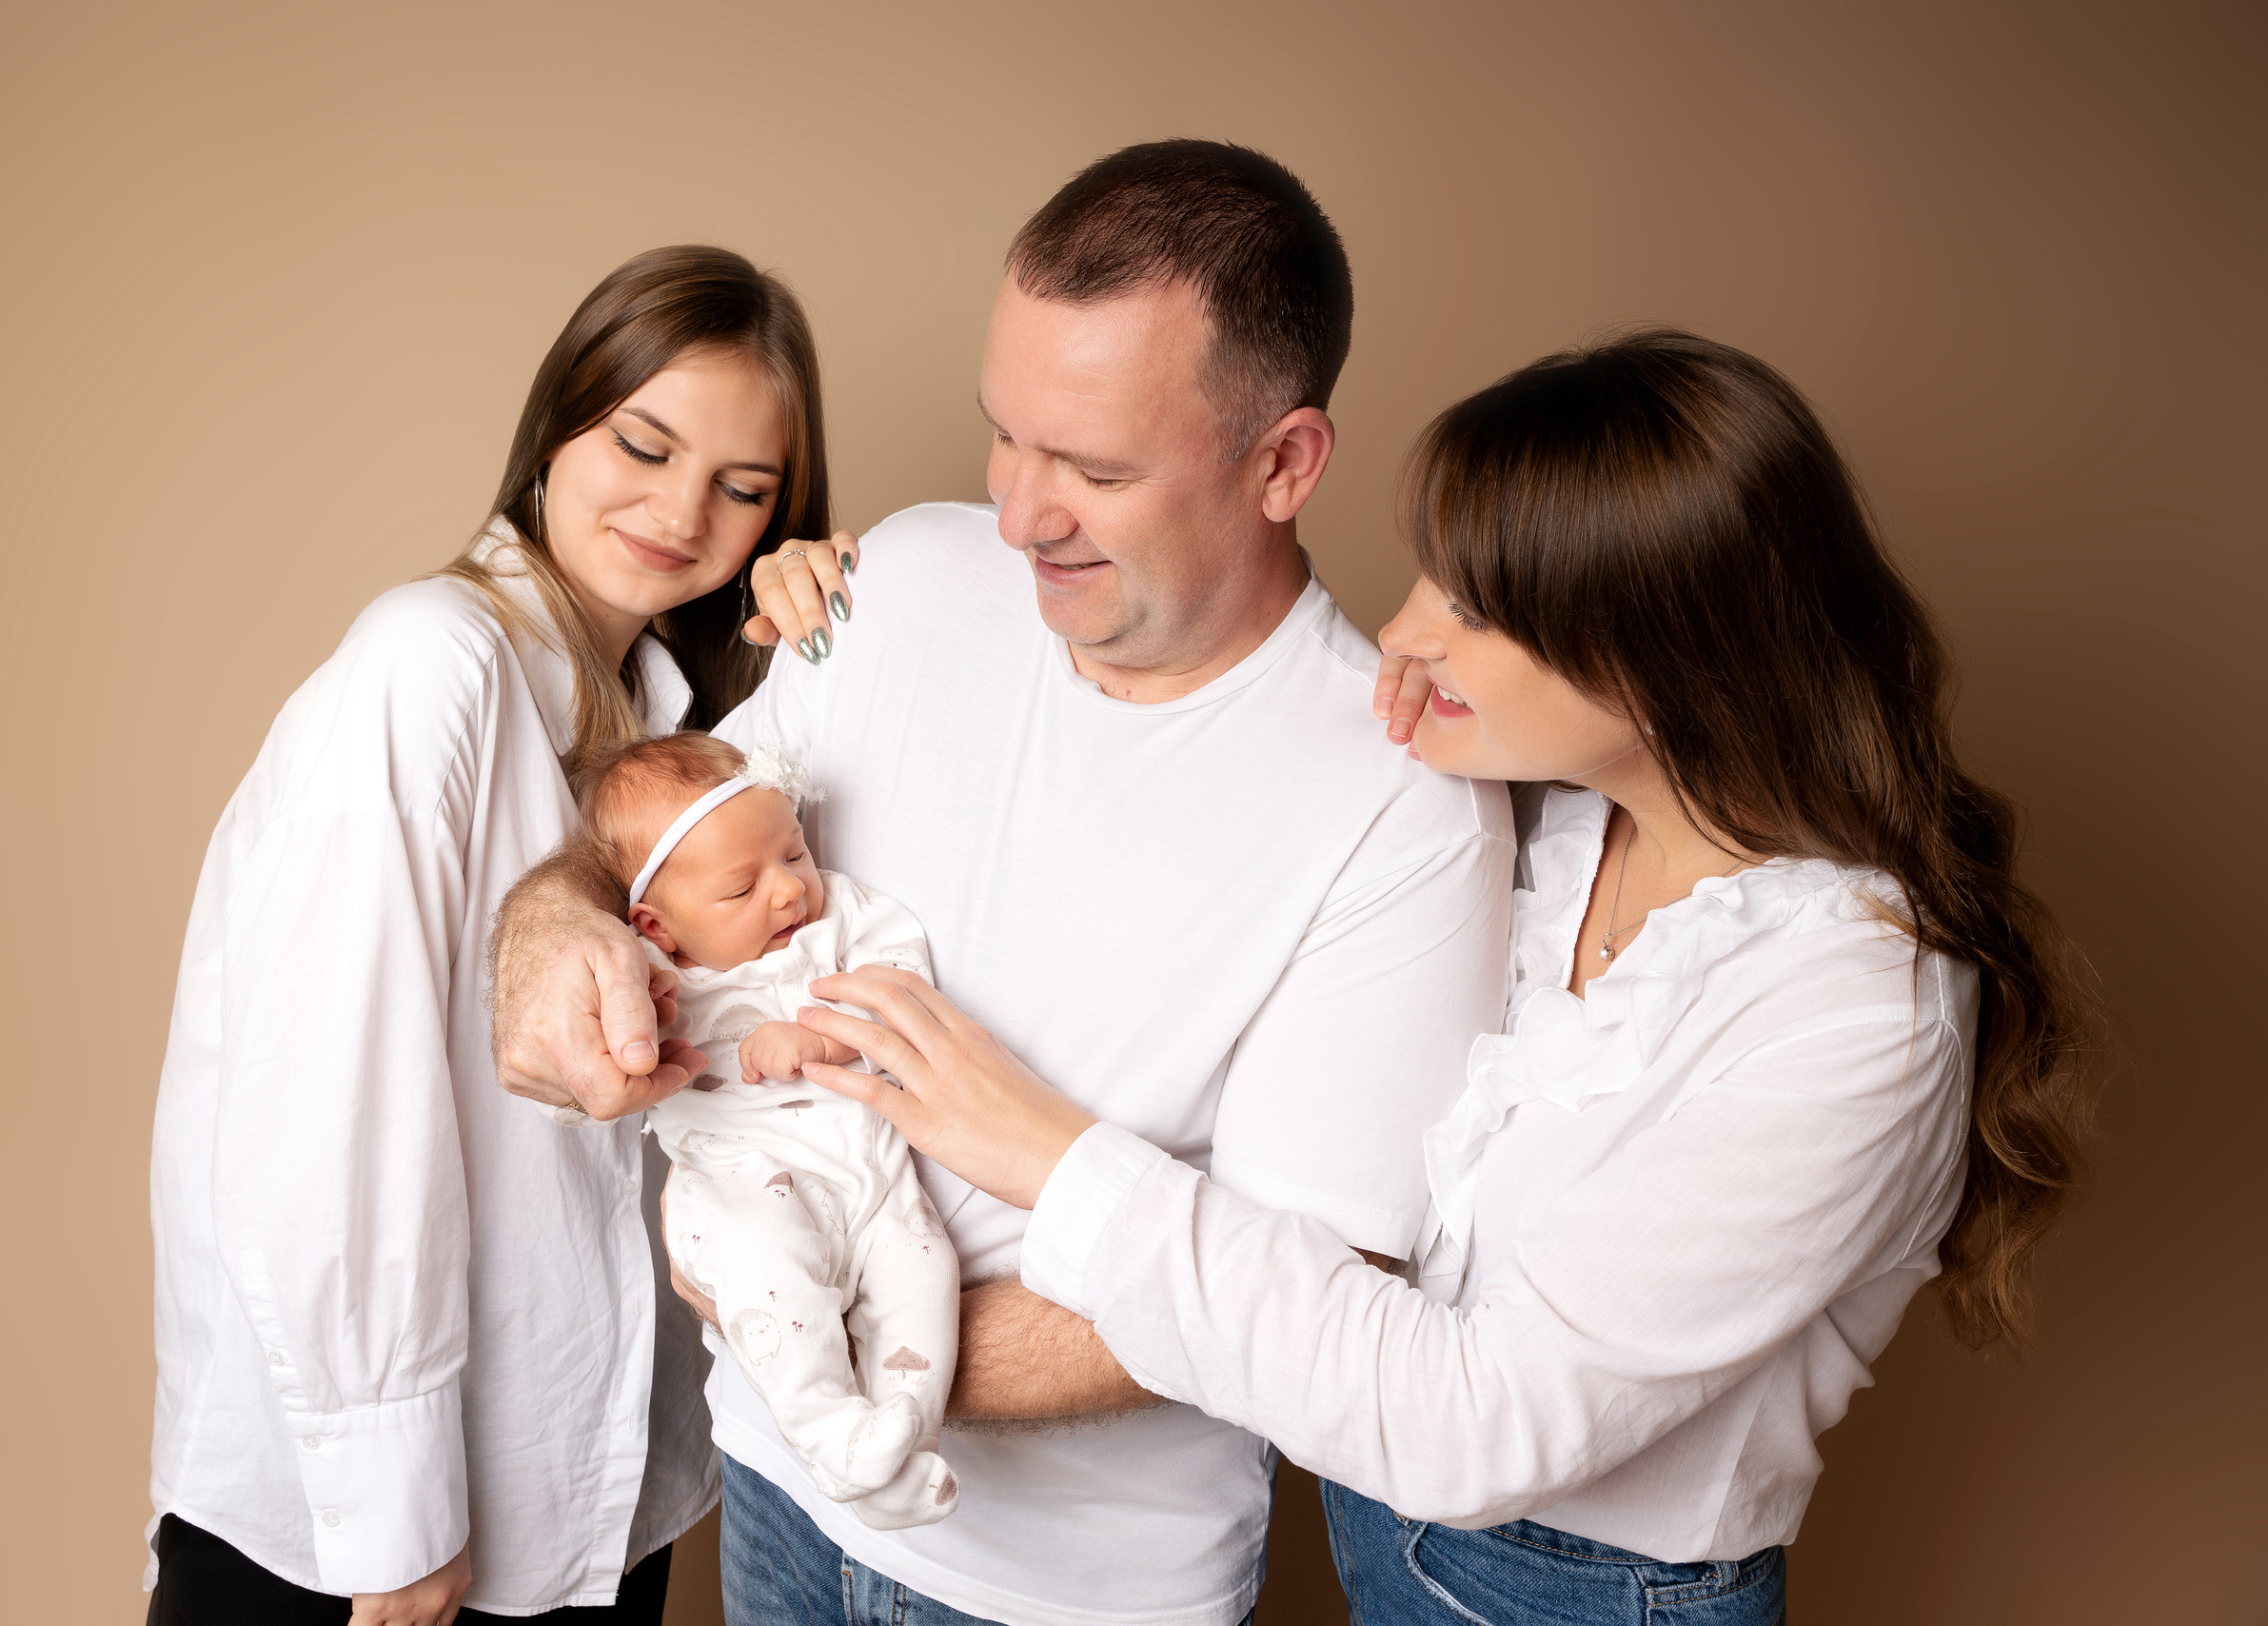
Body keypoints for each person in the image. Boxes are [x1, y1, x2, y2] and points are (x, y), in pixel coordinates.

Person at [790, 331, 2100, 1626]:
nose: (1404, 630)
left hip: (1596, 1600)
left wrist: (1053, 1156)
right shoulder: (1565, 831)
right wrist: (860, 592)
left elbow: (1478, 1421)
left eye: (1475, 608)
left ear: (1665, 654)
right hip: (1386, 1546)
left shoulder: (1857, 1009)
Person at [489, 142, 1512, 1625]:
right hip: (772, 1485)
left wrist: (834, 1333)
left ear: (1284, 464)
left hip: (1062, 1589)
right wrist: (548, 926)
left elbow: (1298, 1293)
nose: (1023, 514)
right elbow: (658, 845)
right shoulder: (904, 574)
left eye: (1097, 469)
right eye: (1006, 438)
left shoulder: (1404, 813)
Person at [148, 245, 841, 1624]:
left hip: (594, 1492)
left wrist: (825, 637)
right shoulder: (431, 661)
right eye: (643, 444)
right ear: (556, 427)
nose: (679, 510)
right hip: (372, 1535)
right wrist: (395, 1511)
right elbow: (324, 1102)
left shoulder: (673, 720)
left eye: (743, 487)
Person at [577, 731, 960, 1530]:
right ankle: (828, 1432)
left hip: (872, 1177)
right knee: (771, 1271)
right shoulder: (651, 979)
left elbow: (906, 987)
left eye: (793, 853)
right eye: (742, 887)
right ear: (657, 925)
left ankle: (899, 1453)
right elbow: (586, 1062)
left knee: (924, 1271)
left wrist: (826, 1039)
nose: (788, 891)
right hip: (741, 1189)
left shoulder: (842, 915)